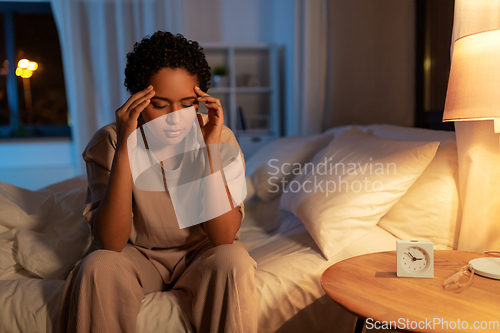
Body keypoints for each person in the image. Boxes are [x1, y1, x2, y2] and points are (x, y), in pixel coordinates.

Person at [59, 31, 259, 333]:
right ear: (137, 100)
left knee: (234, 260)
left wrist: (210, 152)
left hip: (199, 255)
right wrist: (126, 145)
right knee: (97, 266)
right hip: (137, 256)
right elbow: (111, 242)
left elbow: (223, 237)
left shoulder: (220, 137)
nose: (174, 119)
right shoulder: (110, 140)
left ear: (201, 100)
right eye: (160, 105)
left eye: (187, 103)